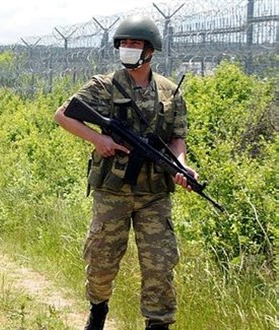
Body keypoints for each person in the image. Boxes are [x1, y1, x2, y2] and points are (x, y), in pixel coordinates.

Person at [53, 16, 196, 330]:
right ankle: (98, 310)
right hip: (113, 191)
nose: (128, 48)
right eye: (124, 44)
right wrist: (99, 139)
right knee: (101, 262)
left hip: (155, 194)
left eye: (135, 44)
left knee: (160, 264)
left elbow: (176, 139)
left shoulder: (170, 92)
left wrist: (181, 166)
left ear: (150, 50)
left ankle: (158, 323)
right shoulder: (104, 85)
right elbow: (63, 115)